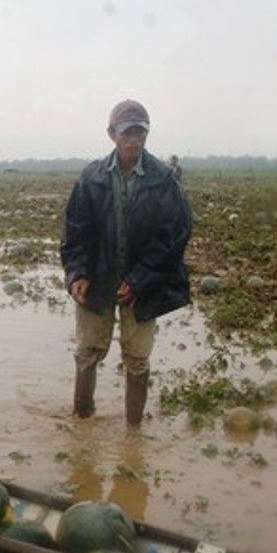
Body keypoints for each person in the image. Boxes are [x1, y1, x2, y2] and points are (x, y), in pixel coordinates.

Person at [59, 99, 192, 427]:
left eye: (139, 133)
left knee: (137, 356)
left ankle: (134, 430)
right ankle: (82, 419)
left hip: (144, 283)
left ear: (147, 134)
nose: (133, 139)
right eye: (126, 133)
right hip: (99, 278)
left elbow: (172, 237)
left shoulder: (162, 179)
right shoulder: (91, 178)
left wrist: (140, 279)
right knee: (88, 349)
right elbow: (75, 232)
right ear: (111, 134)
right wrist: (77, 273)